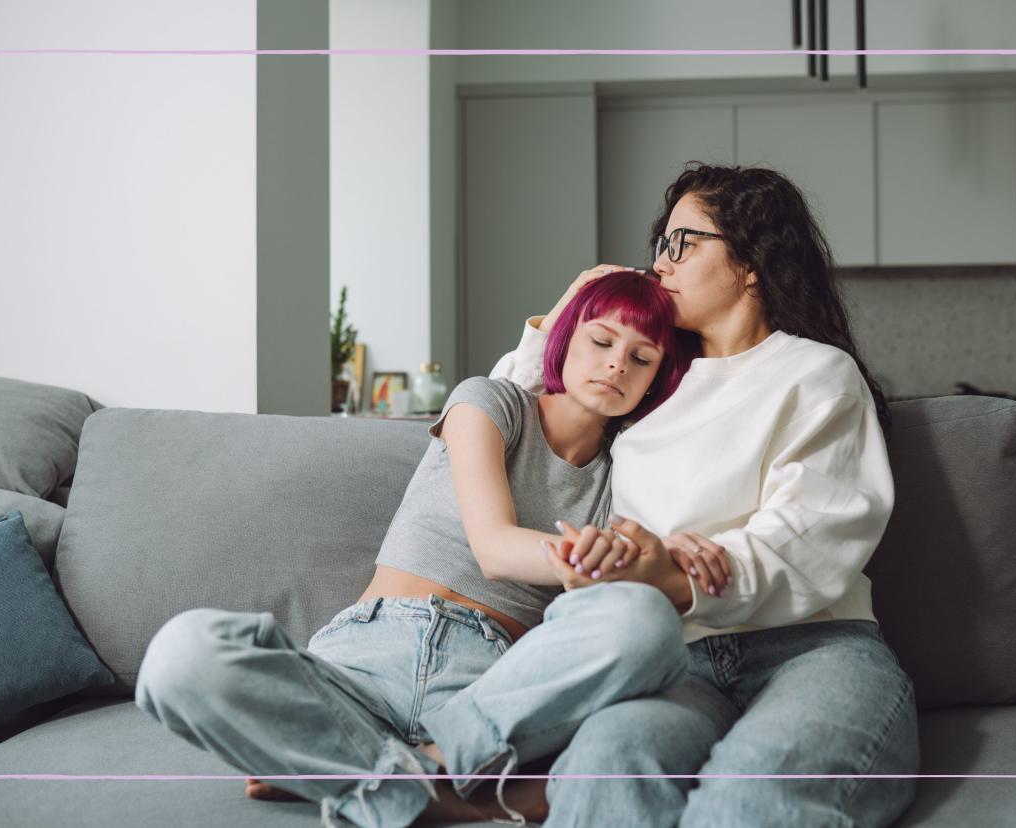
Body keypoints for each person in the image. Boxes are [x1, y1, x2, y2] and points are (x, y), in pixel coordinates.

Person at [133, 272, 700, 828]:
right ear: (566, 338)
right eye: (601, 341)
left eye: (641, 357)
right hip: (360, 665)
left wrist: (660, 557)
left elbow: (624, 598)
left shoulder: (621, 480)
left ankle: (359, 772)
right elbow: (495, 549)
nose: (616, 364)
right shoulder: (489, 402)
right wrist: (588, 559)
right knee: (180, 657)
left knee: (645, 621)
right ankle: (460, 800)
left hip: (487, 692)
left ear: (655, 378)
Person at [487, 163, 920, 827]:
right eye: (660, 243)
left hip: (815, 648)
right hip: (673, 661)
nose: (660, 262)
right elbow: (520, 421)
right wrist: (572, 307)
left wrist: (677, 571)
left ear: (750, 261)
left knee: (749, 800)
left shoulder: (816, 374)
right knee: (602, 771)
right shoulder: (644, 377)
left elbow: (815, 531)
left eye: (682, 242)